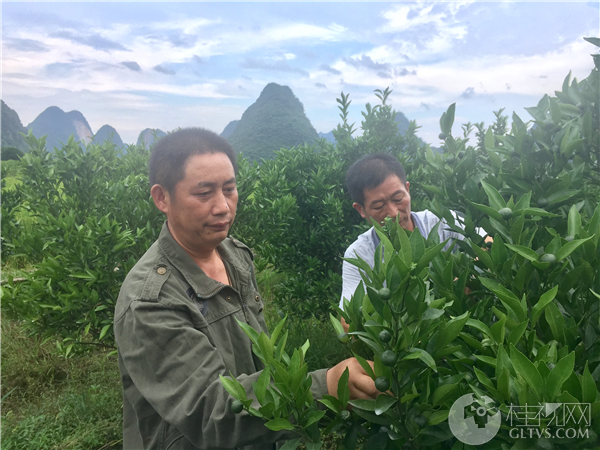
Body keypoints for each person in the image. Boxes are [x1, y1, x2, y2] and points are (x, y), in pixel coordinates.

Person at [114, 128, 378, 450]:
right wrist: (325, 386)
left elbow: (256, 364)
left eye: (229, 188)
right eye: (204, 193)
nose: (223, 206)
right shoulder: (149, 300)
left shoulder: (235, 255)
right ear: (162, 198)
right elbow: (211, 412)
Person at [340, 153, 465, 309]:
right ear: (361, 210)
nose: (393, 212)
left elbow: (487, 243)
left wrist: (461, 283)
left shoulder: (440, 222)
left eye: (398, 199)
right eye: (379, 206)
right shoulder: (360, 253)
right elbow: (349, 322)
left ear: (407, 189)